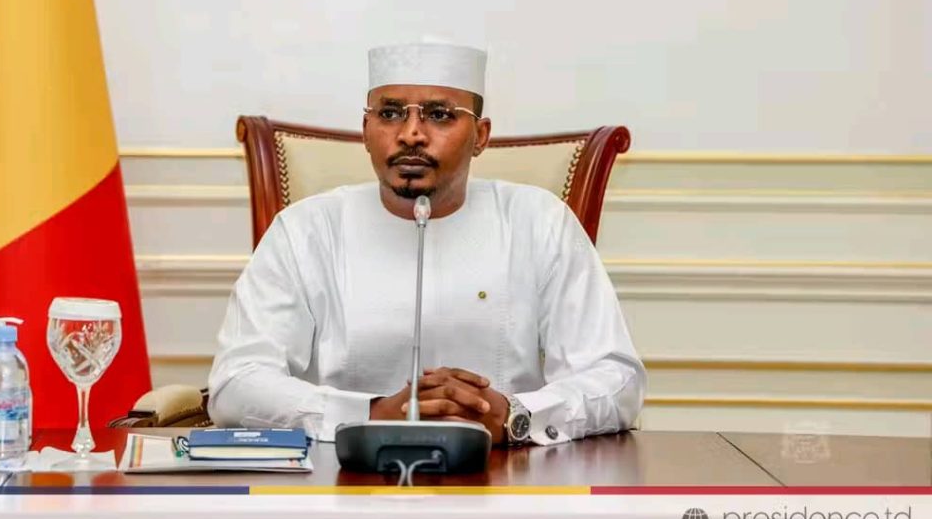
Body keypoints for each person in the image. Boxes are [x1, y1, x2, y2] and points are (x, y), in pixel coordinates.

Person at [208, 42, 645, 446]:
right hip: (343, 480)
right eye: (390, 113)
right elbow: (236, 383)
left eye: (439, 115)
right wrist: (368, 415)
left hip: (508, 478)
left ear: (481, 136)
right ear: (366, 129)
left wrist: (514, 415)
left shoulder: (539, 221)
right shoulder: (304, 230)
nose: (411, 134)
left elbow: (616, 379)